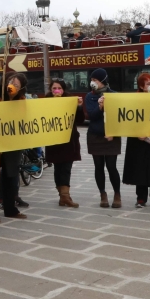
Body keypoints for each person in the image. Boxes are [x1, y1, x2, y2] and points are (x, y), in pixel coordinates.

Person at [122, 74, 150, 209]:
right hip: (139, 140)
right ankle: (141, 198)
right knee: (140, 168)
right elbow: (128, 117)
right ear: (141, 86)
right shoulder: (134, 100)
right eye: (148, 84)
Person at [85, 68, 121, 208]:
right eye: (92, 80)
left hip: (111, 137)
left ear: (103, 81)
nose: (93, 83)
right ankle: (103, 194)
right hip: (95, 136)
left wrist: (114, 132)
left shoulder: (114, 95)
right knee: (98, 166)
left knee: (111, 166)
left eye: (95, 80)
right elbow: (91, 116)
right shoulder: (90, 96)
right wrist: (100, 107)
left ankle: (117, 194)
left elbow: (119, 117)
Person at [0, 72, 31, 219]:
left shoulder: (22, 101)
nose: (12, 87)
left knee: (11, 175)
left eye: (16, 85)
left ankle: (10, 207)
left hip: (13, 144)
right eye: (11, 83)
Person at [45, 79, 84, 209]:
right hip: (54, 141)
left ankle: (65, 196)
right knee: (58, 168)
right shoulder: (46, 102)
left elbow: (80, 120)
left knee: (66, 168)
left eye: (59, 88)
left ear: (63, 90)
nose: (57, 91)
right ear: (51, 90)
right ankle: (63, 196)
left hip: (69, 141)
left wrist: (78, 106)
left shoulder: (70, 100)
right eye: (54, 88)